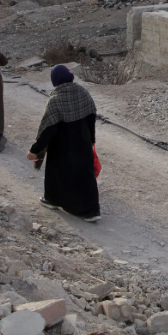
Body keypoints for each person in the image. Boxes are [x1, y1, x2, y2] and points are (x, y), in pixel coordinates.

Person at [26, 65, 100, 222]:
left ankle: (52, 200)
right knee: (85, 176)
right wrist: (91, 140)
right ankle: (92, 211)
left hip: (62, 147)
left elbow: (48, 129)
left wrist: (35, 150)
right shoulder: (83, 92)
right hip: (83, 143)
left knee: (57, 174)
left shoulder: (56, 99)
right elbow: (91, 117)